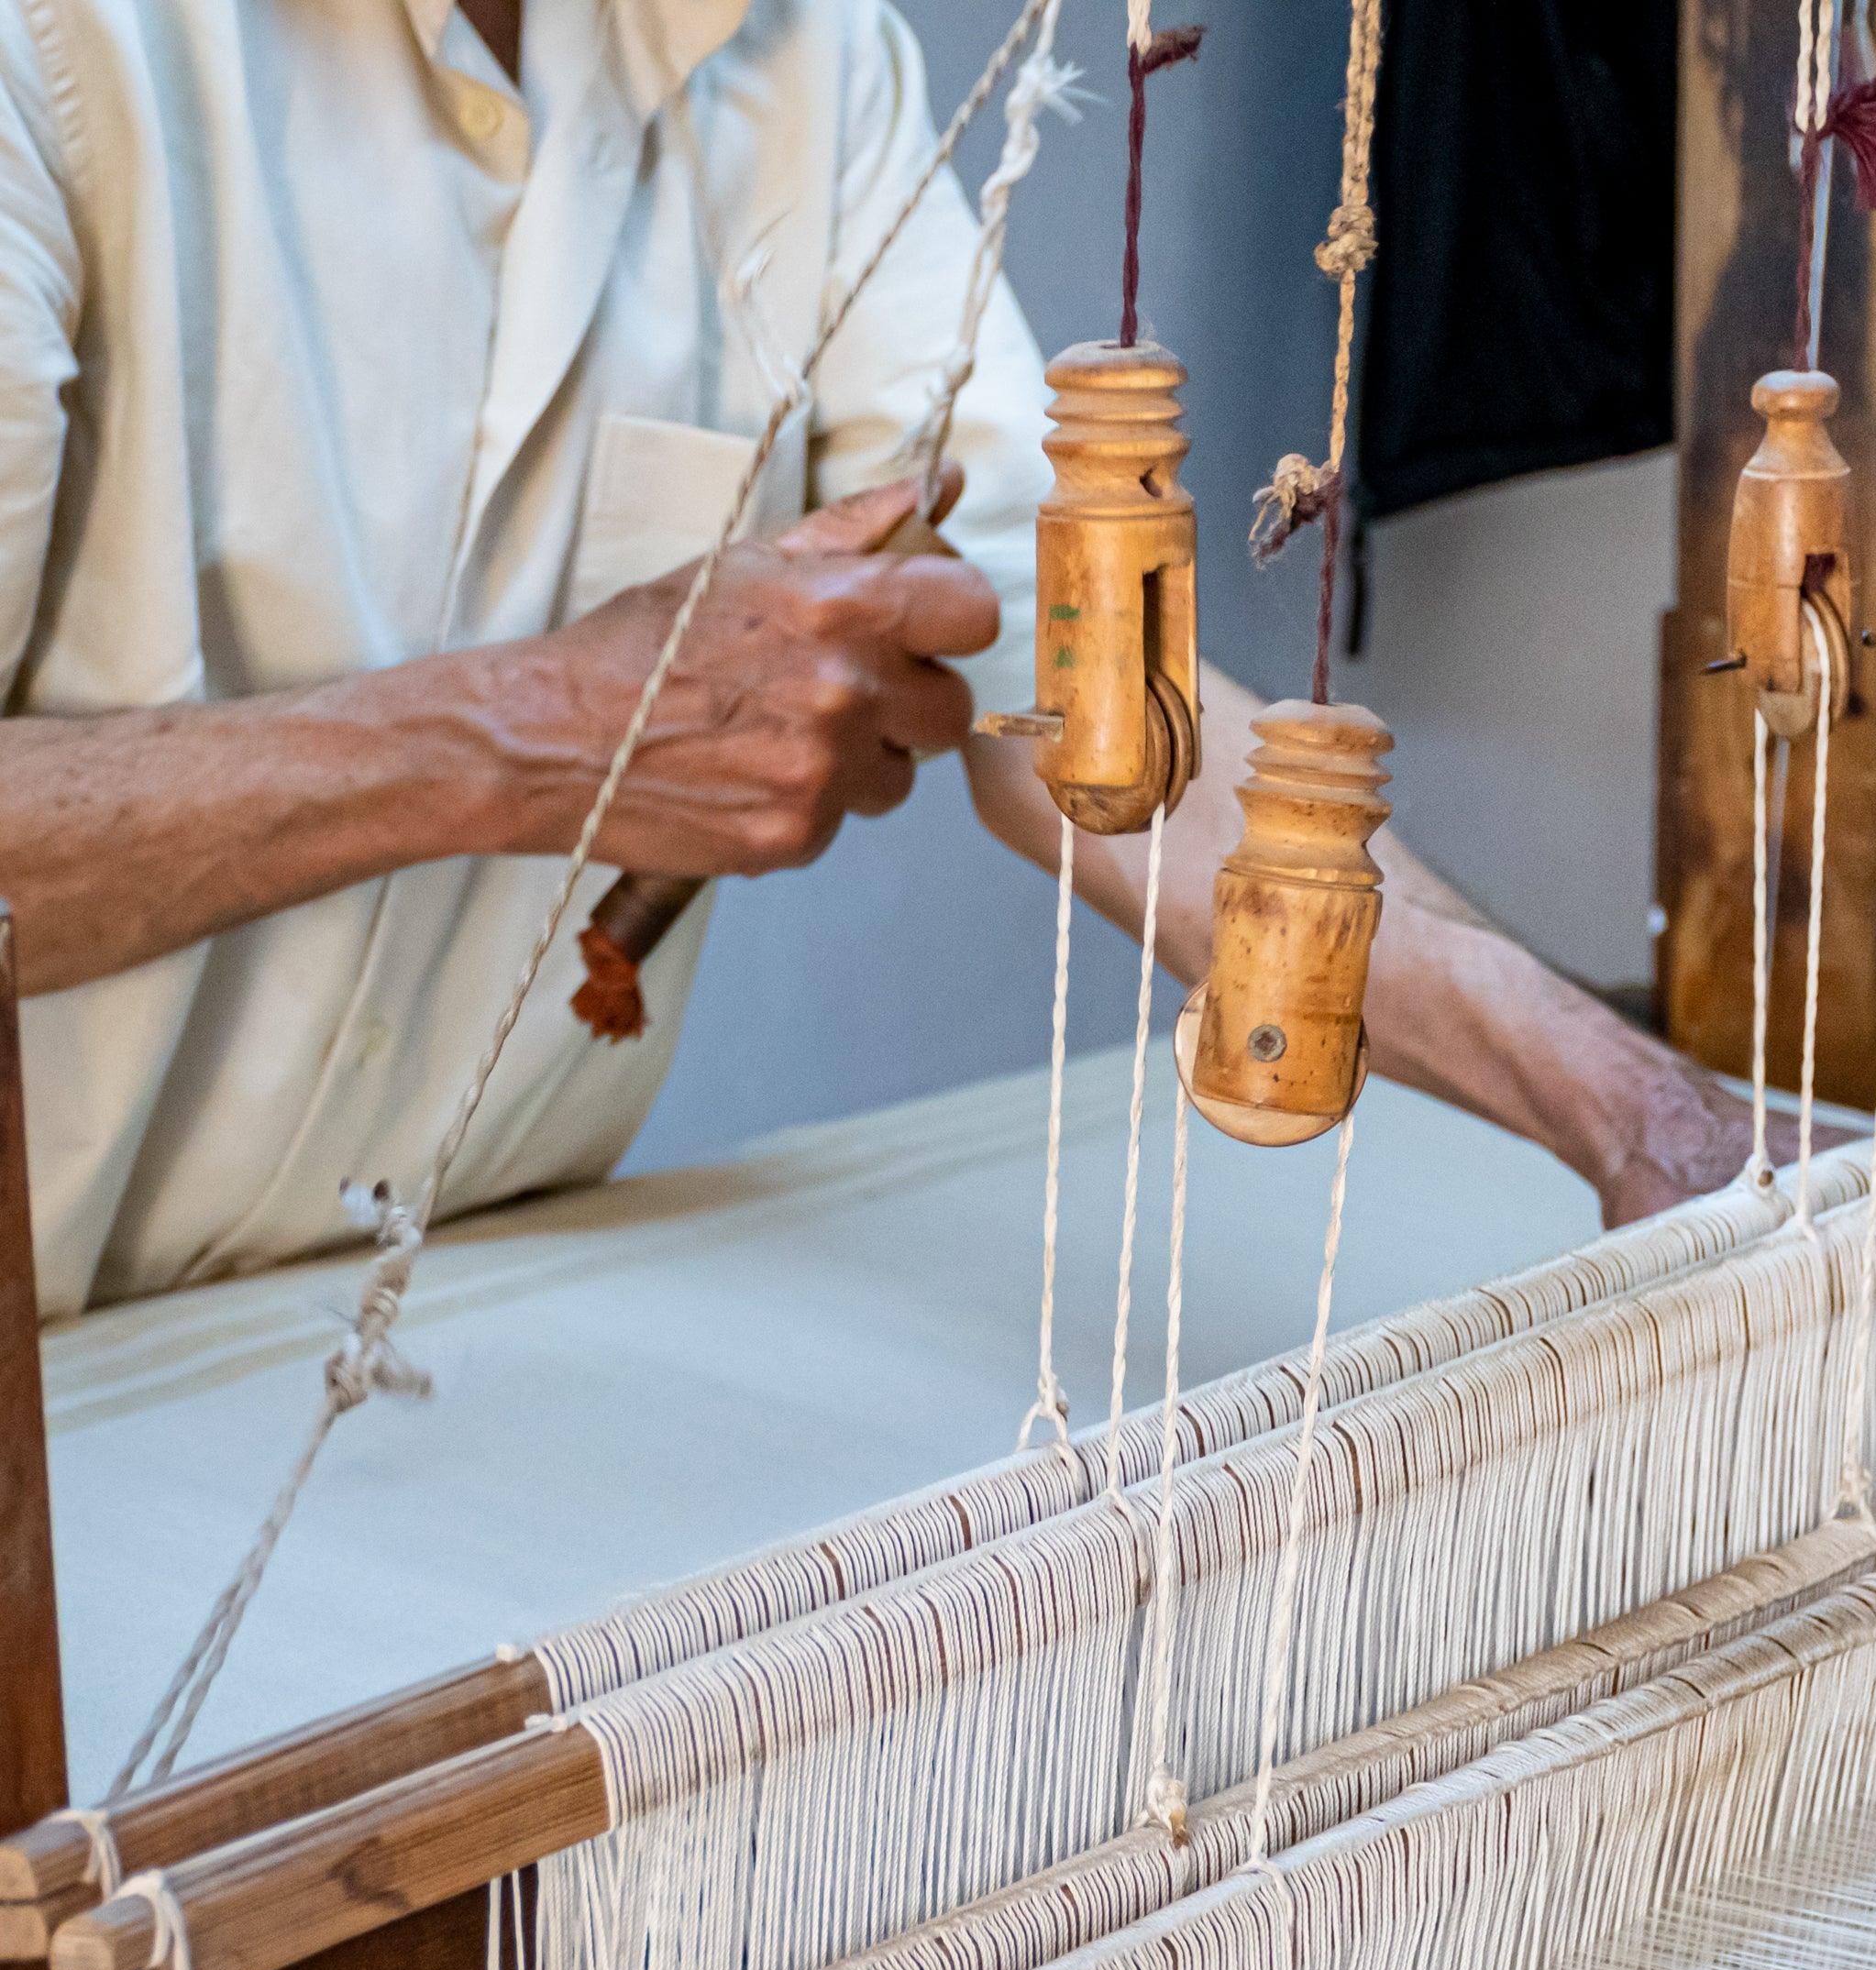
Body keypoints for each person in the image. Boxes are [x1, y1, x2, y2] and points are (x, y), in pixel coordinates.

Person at [0, 0, 1761, 1322]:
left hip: (457, 1323)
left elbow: (1064, 692)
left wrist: (1621, 1098)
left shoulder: (799, 50)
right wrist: (535, 733)